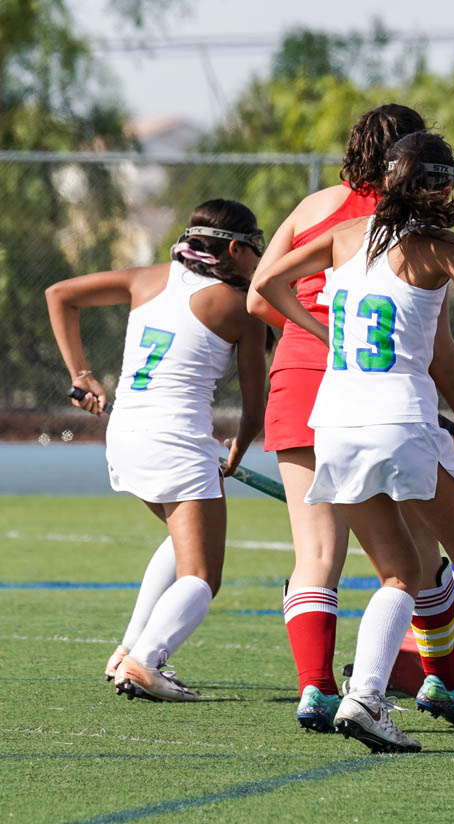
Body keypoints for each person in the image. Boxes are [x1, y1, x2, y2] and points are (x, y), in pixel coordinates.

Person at [253, 130, 454, 753]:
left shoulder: (347, 235)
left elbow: (268, 284)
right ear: (443, 185)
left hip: (334, 423)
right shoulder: (442, 246)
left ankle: (364, 699)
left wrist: (324, 332)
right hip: (402, 420)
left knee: (398, 576)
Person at [246, 104, 454, 732]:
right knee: (420, 554)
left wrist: (314, 331)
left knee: (316, 553)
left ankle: (315, 689)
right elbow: (443, 345)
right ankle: (441, 681)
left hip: (298, 383)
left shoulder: (317, 206)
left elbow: (258, 289)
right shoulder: (414, 228)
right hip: (382, 395)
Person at [45, 199, 267, 701]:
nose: (259, 259)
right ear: (233, 250)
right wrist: (237, 452)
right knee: (203, 576)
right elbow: (255, 409)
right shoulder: (241, 306)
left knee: (180, 537)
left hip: (125, 434)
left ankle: (127, 651)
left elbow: (59, 294)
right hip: (177, 441)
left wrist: (80, 375)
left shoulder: (145, 278)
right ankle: (147, 663)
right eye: (255, 248)